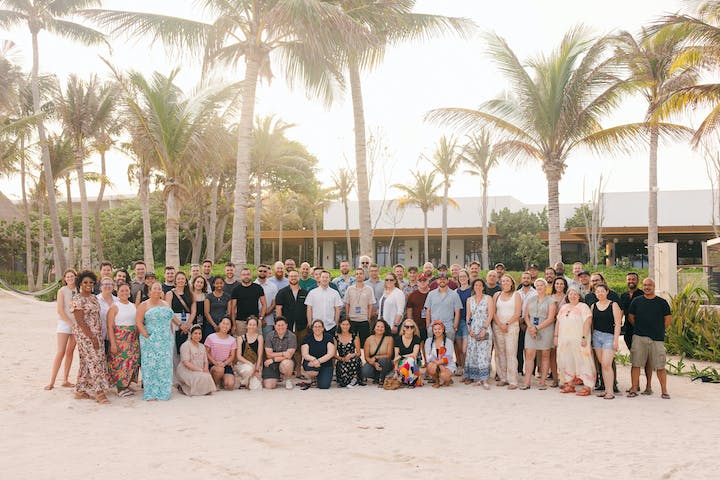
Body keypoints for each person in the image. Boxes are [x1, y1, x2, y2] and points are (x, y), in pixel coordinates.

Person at [627, 278, 672, 399]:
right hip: (639, 337)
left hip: (657, 339)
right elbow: (631, 317)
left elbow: (668, 320)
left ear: (654, 287)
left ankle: (664, 391)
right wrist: (640, 328)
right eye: (645, 285)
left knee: (660, 365)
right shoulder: (637, 301)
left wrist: (658, 330)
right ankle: (634, 388)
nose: (647, 287)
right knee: (636, 364)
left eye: (650, 285)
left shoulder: (662, 302)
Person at [71, 270, 110, 404]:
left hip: (97, 334)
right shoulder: (77, 299)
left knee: (86, 362)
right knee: (95, 361)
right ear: (80, 283)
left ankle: (80, 390)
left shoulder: (93, 298)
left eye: (91, 282)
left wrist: (98, 335)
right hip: (85, 336)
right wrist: (91, 337)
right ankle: (99, 392)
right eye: (85, 282)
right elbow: (80, 321)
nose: (88, 284)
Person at [137, 281, 175, 401]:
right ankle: (151, 392)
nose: (157, 291)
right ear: (150, 291)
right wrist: (146, 335)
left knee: (165, 365)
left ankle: (164, 391)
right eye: (155, 288)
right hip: (150, 339)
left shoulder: (165, 304)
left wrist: (170, 335)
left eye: (159, 289)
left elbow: (169, 320)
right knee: (151, 365)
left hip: (165, 340)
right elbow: (138, 321)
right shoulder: (144, 304)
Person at [554, 286, 595, 396]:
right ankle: (570, 384)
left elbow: (587, 322)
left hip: (579, 340)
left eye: (575, 294)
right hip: (565, 341)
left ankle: (587, 386)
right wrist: (556, 336)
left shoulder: (583, 307)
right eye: (570, 294)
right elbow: (558, 322)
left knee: (583, 361)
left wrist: (584, 337)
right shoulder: (564, 307)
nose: (572, 296)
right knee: (567, 360)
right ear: (567, 296)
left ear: (579, 296)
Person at [520, 278, 557, 390]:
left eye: (542, 285)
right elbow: (526, 315)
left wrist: (537, 328)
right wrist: (531, 327)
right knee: (529, 355)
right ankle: (527, 381)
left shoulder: (551, 301)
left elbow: (551, 318)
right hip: (531, 329)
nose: (540, 287)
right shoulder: (531, 299)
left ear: (546, 287)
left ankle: (543, 382)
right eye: (538, 285)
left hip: (545, 329)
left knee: (545, 356)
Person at [45, 268, 77, 390]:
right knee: (61, 351)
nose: (70, 278)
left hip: (76, 324)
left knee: (70, 351)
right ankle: (52, 381)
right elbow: (60, 310)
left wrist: (76, 324)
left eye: (72, 276)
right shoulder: (62, 291)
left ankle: (65, 380)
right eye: (67, 277)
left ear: (75, 277)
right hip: (64, 323)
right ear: (64, 279)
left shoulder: (79, 290)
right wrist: (70, 323)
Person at [106, 283, 140, 398]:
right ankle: (120, 388)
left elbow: (136, 322)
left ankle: (127, 384)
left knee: (131, 363)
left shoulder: (133, 305)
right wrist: (113, 343)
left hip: (132, 338)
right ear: (118, 292)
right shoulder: (114, 307)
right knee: (119, 363)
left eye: (126, 290)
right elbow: (110, 326)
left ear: (129, 292)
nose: (125, 293)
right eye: (122, 291)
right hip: (120, 338)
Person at [620, 272, 652, 392]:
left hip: (642, 331)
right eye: (629, 279)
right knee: (635, 358)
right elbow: (621, 312)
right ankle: (636, 384)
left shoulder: (643, 294)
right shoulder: (623, 296)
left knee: (647, 359)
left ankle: (648, 386)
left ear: (638, 281)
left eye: (633, 279)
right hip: (628, 332)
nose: (631, 281)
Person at [591, 283, 622, 399]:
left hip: (609, 337)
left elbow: (618, 324)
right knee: (602, 365)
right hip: (596, 337)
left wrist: (616, 340)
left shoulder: (613, 305)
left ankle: (610, 392)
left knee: (607, 364)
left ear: (607, 292)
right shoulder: (593, 306)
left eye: (602, 291)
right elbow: (591, 324)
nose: (600, 293)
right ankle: (606, 389)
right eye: (597, 291)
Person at [275, 270, 309, 376]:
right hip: (287, 326)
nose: (293, 278)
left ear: (298, 277)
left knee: (299, 349)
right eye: (291, 276)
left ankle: (298, 371)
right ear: (288, 278)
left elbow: (308, 309)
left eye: (295, 276)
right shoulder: (282, 292)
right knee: (285, 349)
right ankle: (283, 372)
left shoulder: (305, 293)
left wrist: (308, 322)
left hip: (302, 325)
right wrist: (280, 325)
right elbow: (278, 309)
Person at [493, 274, 522, 389]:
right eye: (503, 281)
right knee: (500, 352)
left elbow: (518, 313)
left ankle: (513, 380)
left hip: (511, 326)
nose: (505, 283)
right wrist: (500, 324)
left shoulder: (517, 295)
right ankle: (503, 377)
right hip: (498, 326)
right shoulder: (497, 295)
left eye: (507, 281)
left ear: (511, 283)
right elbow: (493, 311)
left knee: (511, 352)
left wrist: (507, 324)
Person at [465, 278, 494, 389]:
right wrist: (469, 328)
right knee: (474, 353)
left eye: (480, 285)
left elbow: (490, 314)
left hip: (484, 327)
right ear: (473, 287)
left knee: (484, 353)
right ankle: (477, 378)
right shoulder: (469, 300)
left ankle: (484, 379)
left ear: (483, 287)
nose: (478, 287)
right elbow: (468, 315)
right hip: (473, 328)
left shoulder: (488, 298)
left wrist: (484, 328)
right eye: (476, 285)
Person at [176, 324, 216, 396]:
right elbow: (185, 362)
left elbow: (205, 360)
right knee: (200, 377)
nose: (198, 336)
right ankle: (183, 388)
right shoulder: (185, 345)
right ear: (191, 334)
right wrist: (200, 369)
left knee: (207, 376)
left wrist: (206, 369)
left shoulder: (202, 346)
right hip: (186, 370)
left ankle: (202, 389)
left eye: (200, 334)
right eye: (195, 333)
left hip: (200, 369)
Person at [424, 272, 462, 340]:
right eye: (440, 279)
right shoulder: (431, 294)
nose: (442, 281)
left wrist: (455, 326)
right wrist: (428, 325)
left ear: (447, 280)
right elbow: (428, 310)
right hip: (433, 327)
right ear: (436, 281)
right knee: (433, 349)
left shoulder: (454, 295)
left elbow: (457, 312)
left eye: (444, 279)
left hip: (448, 327)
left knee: (448, 349)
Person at [300, 319, 336, 390]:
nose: (317, 328)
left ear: (323, 328)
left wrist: (318, 361)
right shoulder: (307, 337)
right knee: (311, 369)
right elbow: (305, 354)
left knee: (324, 386)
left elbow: (330, 354)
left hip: (326, 364)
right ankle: (313, 378)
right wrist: (314, 360)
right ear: (312, 328)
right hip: (311, 363)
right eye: (315, 327)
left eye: (319, 326)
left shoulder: (328, 337)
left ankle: (321, 376)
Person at [263, 317, 297, 390]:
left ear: (286, 325)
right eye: (278, 325)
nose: (280, 327)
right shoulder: (269, 336)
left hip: (283, 361)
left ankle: (288, 379)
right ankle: (277, 376)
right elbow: (268, 354)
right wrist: (283, 354)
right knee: (269, 386)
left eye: (282, 325)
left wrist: (274, 359)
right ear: (275, 326)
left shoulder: (292, 336)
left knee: (287, 363)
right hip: (272, 362)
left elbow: (289, 355)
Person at [344, 268, 376, 347]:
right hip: (352, 319)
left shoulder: (369, 289)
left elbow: (371, 304)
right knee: (351, 341)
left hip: (364, 319)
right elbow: (347, 303)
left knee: (364, 342)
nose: (359, 275)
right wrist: (347, 316)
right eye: (357, 274)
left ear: (364, 276)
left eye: (361, 274)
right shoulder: (350, 289)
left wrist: (368, 317)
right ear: (355, 276)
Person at [305, 270, 343, 335]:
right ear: (320, 278)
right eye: (323, 277)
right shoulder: (312, 292)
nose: (325, 279)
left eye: (327, 277)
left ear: (329, 279)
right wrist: (310, 323)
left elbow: (337, 309)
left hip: (330, 326)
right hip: (316, 326)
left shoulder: (335, 293)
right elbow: (309, 309)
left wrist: (336, 323)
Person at [231, 267, 266, 337]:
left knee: (257, 342)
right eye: (244, 275)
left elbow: (264, 304)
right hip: (240, 322)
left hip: (255, 321)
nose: (246, 276)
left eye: (248, 274)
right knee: (240, 343)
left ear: (251, 275)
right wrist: (234, 324)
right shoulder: (236, 290)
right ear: (241, 276)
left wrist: (261, 318)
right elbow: (233, 308)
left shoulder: (258, 288)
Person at [205, 317, 237, 390]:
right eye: (223, 323)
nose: (225, 326)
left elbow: (232, 356)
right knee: (219, 370)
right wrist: (215, 362)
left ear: (230, 327)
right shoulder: (211, 337)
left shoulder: (232, 340)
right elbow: (206, 352)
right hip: (213, 364)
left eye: (228, 324)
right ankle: (214, 385)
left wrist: (224, 363)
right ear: (219, 324)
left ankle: (221, 380)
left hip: (225, 364)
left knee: (229, 385)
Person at [233, 316, 264, 390]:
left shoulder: (260, 337)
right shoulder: (240, 338)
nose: (252, 326)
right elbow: (238, 356)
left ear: (257, 326)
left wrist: (256, 370)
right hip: (242, 364)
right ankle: (243, 379)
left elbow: (260, 355)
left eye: (254, 325)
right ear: (246, 326)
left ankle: (244, 381)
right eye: (250, 324)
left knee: (256, 388)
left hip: (255, 365)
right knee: (248, 369)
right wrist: (249, 363)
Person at [516, 271, 538, 376]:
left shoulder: (536, 293)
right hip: (518, 323)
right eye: (524, 278)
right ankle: (519, 370)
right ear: (521, 280)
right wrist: (520, 321)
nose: (526, 280)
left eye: (528, 278)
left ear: (531, 280)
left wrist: (527, 322)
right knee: (519, 348)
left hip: (531, 324)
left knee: (531, 349)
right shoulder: (517, 293)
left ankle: (532, 372)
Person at [166, 271, 193, 354]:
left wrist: (187, 325)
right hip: (174, 321)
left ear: (186, 281)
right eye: (178, 279)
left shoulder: (190, 294)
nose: (180, 280)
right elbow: (169, 311)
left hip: (188, 321)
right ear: (175, 281)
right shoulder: (170, 294)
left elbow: (193, 311)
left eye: (182, 278)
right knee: (174, 347)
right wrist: (180, 324)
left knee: (188, 347)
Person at [361, 319, 394, 385]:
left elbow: (389, 355)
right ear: (374, 328)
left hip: (386, 362)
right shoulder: (369, 339)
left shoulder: (389, 339)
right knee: (365, 371)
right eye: (378, 326)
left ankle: (382, 379)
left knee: (383, 360)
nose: (380, 328)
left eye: (382, 327)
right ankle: (377, 377)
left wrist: (376, 357)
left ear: (385, 329)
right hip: (373, 362)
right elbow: (366, 357)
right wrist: (374, 364)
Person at [424, 320, 457, 388]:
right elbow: (428, 356)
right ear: (433, 331)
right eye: (435, 329)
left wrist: (439, 364)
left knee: (444, 376)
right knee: (430, 366)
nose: (437, 331)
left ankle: (447, 379)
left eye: (439, 329)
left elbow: (449, 357)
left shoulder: (448, 342)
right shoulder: (428, 341)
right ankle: (437, 381)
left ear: (443, 330)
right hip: (434, 362)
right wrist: (438, 364)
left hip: (447, 364)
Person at [334, 317, 362, 388]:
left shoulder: (355, 337)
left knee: (352, 361)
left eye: (347, 324)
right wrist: (342, 359)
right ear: (340, 325)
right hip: (342, 360)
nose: (345, 326)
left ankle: (355, 379)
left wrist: (352, 355)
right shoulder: (336, 338)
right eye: (343, 324)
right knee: (343, 382)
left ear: (350, 325)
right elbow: (334, 355)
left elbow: (359, 353)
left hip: (353, 359)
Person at [393, 319, 422, 387]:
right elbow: (396, 356)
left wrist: (402, 356)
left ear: (414, 328)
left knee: (410, 359)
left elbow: (414, 354)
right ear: (403, 328)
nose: (409, 328)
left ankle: (410, 380)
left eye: (412, 327)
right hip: (401, 362)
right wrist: (395, 371)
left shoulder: (416, 339)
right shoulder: (398, 339)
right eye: (407, 327)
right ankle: (410, 379)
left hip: (414, 362)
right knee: (407, 363)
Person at [454, 269, 472, 376]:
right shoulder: (456, 291)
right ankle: (461, 366)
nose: (462, 278)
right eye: (460, 277)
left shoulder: (472, 291)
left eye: (464, 276)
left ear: (468, 277)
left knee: (465, 348)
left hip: (467, 321)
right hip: (458, 321)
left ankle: (468, 368)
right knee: (459, 348)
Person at [204, 276, 231, 341]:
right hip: (210, 325)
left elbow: (229, 312)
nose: (219, 285)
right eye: (217, 283)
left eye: (221, 283)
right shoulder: (209, 296)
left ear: (223, 284)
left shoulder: (227, 296)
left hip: (223, 326)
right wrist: (214, 325)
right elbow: (206, 312)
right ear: (213, 284)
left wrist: (222, 325)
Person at [406, 274, 431, 342]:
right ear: (417, 282)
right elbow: (409, 310)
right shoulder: (412, 295)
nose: (422, 282)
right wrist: (410, 323)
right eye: (420, 280)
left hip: (431, 325)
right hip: (417, 325)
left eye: (424, 280)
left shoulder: (432, 293)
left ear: (428, 281)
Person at [255, 264, 278, 336]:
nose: (262, 272)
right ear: (257, 272)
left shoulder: (273, 286)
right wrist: (259, 318)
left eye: (264, 271)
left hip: (269, 320)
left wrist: (263, 315)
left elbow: (274, 303)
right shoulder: (253, 285)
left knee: (268, 342)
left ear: (267, 272)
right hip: (255, 319)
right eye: (260, 271)